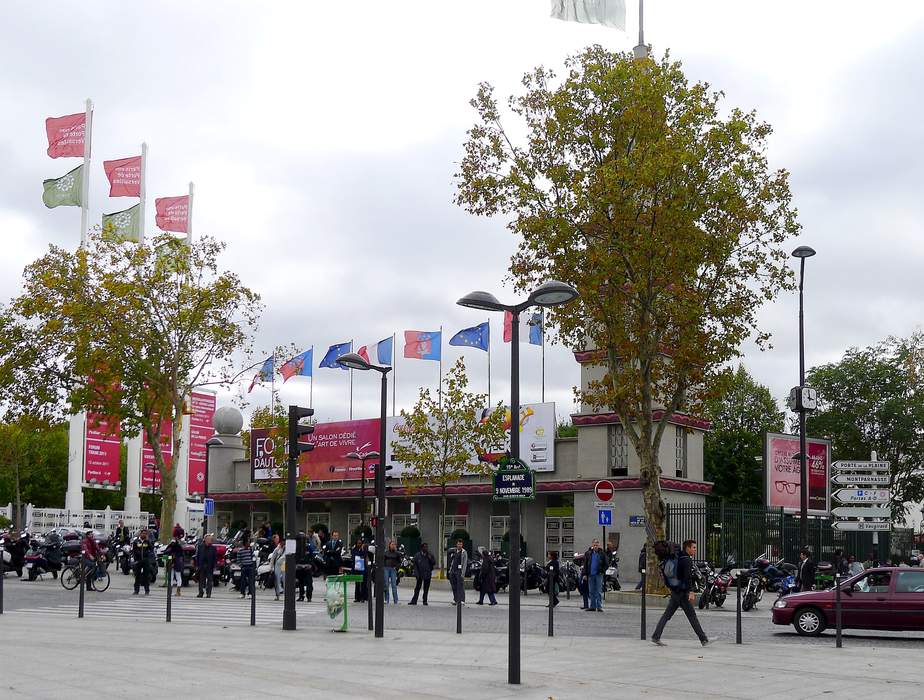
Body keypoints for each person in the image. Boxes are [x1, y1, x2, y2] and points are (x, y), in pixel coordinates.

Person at [651, 540, 710, 647]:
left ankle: (656, 636)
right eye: (694, 547)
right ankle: (704, 639)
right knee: (692, 617)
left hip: (675, 592)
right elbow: (687, 577)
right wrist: (691, 591)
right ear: (687, 548)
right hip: (683, 593)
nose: (695, 550)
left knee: (666, 615)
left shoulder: (678, 557)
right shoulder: (686, 560)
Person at [582, 539, 605, 612]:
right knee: (591, 591)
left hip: (598, 575)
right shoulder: (588, 553)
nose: (595, 546)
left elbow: (606, 563)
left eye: (596, 545)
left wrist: (602, 571)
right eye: (594, 545)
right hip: (590, 575)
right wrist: (585, 574)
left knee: (598, 591)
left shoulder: (602, 554)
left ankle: (599, 606)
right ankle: (592, 606)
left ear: (599, 545)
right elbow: (585, 565)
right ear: (592, 545)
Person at [132, 529, 156, 595]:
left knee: (146, 576)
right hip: (138, 561)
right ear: (140, 534)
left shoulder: (147, 542)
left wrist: (148, 556)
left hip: (146, 561)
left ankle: (147, 590)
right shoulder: (136, 542)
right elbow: (134, 551)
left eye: (145, 534)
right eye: (143, 533)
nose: (144, 535)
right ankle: (136, 590)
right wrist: (136, 559)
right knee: (137, 576)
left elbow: (151, 549)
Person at [196, 534, 217, 598]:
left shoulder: (213, 548)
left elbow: (214, 558)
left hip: (209, 566)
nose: (210, 540)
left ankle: (208, 593)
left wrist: (214, 566)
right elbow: (198, 556)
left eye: (211, 539)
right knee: (201, 580)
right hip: (202, 566)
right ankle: (200, 592)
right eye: (208, 539)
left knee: (210, 580)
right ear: (205, 540)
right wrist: (197, 565)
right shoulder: (200, 546)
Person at [448, 539, 468, 605]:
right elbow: (452, 561)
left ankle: (462, 600)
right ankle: (456, 599)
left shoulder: (464, 552)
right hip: (453, 570)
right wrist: (450, 570)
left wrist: (463, 573)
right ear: (456, 544)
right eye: (458, 544)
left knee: (460, 586)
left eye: (461, 544)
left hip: (459, 571)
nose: (459, 545)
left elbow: (465, 563)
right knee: (454, 586)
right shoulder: (454, 551)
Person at [296, 533, 315, 602]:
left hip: (307, 567)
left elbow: (312, 556)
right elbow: (294, 557)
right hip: (299, 567)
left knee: (309, 583)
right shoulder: (296, 547)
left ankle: (309, 597)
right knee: (300, 582)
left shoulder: (308, 546)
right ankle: (301, 596)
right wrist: (296, 565)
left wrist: (310, 565)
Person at [166, 531, 186, 596]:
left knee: (177, 577)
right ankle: (171, 591)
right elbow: (165, 552)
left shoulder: (176, 547)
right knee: (172, 577)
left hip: (176, 564)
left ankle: (177, 591)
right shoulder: (174, 547)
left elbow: (180, 556)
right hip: (172, 563)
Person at [237, 533, 255, 598]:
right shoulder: (240, 551)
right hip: (244, 567)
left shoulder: (251, 550)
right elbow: (238, 559)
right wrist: (241, 566)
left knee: (251, 581)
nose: (249, 543)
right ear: (244, 543)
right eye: (247, 542)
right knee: (243, 581)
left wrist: (253, 565)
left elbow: (253, 557)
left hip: (250, 566)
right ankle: (242, 593)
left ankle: (250, 593)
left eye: (249, 542)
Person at [383, 539, 401, 604]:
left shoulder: (397, 553)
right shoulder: (386, 553)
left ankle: (395, 600)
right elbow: (383, 561)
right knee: (386, 584)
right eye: (392, 544)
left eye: (394, 545)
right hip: (386, 568)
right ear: (389, 545)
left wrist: (397, 567)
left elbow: (399, 562)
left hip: (393, 569)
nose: (393, 546)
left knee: (394, 585)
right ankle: (386, 599)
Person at [268, 533, 285, 601]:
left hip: (284, 565)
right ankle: (277, 595)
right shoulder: (277, 549)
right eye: (282, 542)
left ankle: (286, 594)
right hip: (277, 565)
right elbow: (272, 558)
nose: (282, 543)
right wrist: (271, 567)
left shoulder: (287, 548)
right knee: (277, 579)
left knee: (284, 579)